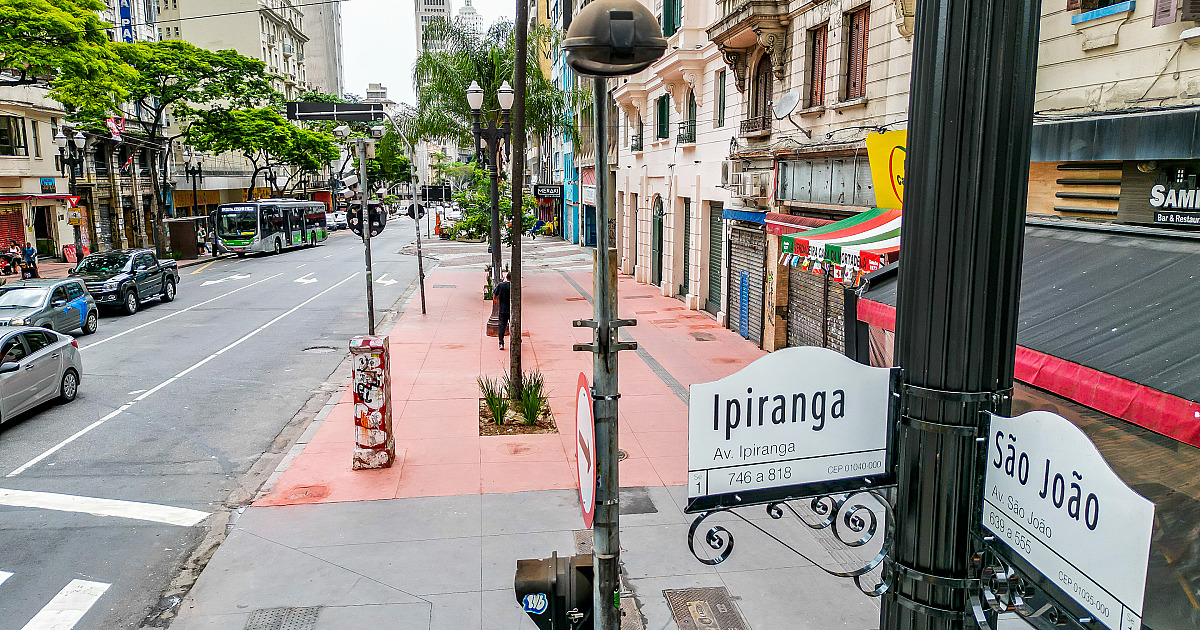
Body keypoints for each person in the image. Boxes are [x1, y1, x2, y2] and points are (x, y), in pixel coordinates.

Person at [494, 272, 511, 350]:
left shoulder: (501, 285)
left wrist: (495, 301)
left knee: (502, 326)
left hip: (502, 309)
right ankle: (517, 339)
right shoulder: (514, 286)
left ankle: (501, 343)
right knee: (514, 325)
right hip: (511, 309)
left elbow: (495, 294)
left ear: (506, 278)